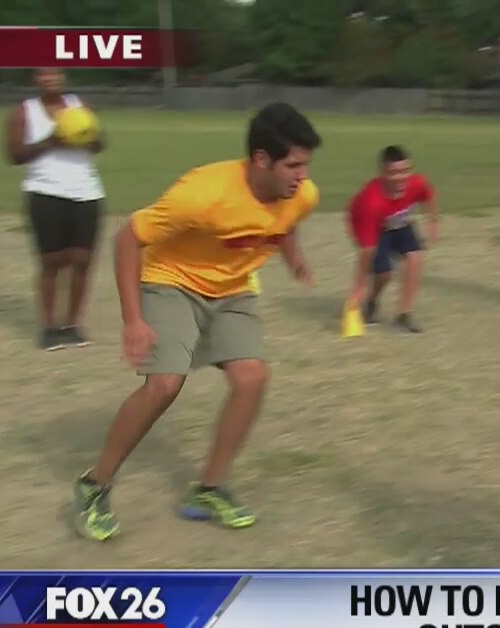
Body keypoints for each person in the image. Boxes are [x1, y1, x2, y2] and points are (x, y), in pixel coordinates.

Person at [70, 102, 322, 541]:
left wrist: (293, 254)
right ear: (262, 159)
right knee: (165, 384)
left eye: (306, 165)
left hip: (233, 288)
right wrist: (134, 321)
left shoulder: (302, 194)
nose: (303, 176)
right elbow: (127, 239)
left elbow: (287, 219)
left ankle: (209, 489)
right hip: (172, 281)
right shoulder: (203, 193)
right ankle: (95, 484)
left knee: (252, 378)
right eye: (293, 165)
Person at [4, 67, 106, 351]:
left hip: (86, 192)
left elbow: (100, 144)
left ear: (63, 77)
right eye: (43, 75)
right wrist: (52, 140)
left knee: (82, 260)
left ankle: (73, 325)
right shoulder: (24, 112)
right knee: (52, 262)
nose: (50, 79)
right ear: (36, 80)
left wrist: (84, 136)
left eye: (55, 74)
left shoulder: (80, 106)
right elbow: (14, 155)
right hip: (45, 191)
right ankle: (49, 328)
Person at [346, 145, 439, 333]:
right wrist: (360, 285)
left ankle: (404, 315)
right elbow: (367, 251)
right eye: (394, 173)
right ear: (382, 173)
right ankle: (371, 302)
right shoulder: (371, 202)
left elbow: (429, 196)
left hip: (398, 222)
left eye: (406, 171)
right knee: (384, 275)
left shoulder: (417, 183)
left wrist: (433, 220)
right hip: (374, 227)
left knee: (415, 258)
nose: (401, 177)